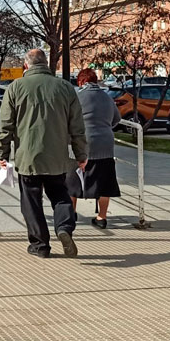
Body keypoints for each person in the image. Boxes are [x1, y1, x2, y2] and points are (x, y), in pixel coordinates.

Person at [0, 49, 87, 258]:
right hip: (57, 157)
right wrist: (81, 155)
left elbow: (6, 125)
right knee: (60, 195)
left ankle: (40, 245)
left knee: (31, 201)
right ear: (47, 64)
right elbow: (77, 127)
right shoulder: (65, 88)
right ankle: (64, 228)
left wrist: (3, 153)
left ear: (26, 66)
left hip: (28, 157)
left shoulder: (15, 87)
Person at [66, 68, 121, 229]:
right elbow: (116, 118)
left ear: (81, 81)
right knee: (104, 184)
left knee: (72, 182)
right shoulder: (107, 97)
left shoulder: (76, 96)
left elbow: (68, 118)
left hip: (80, 144)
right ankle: (101, 217)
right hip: (105, 144)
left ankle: (71, 213)